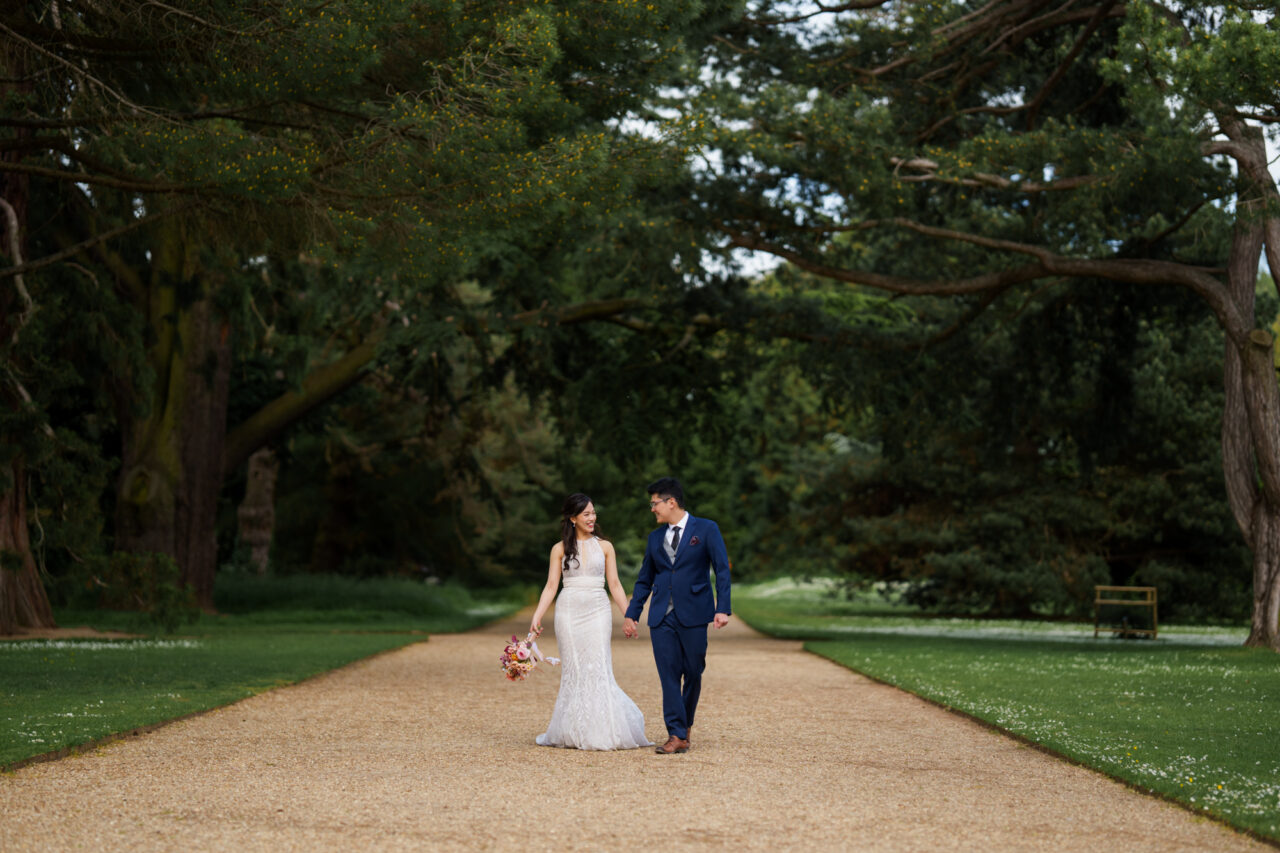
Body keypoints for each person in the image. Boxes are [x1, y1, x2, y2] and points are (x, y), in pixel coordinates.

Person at [530, 493, 652, 750]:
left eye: (593, 513)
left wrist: (629, 615)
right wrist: (537, 616)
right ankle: (574, 730)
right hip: (569, 611)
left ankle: (604, 730)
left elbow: (616, 585)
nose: (592, 518)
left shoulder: (605, 547)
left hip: (597, 610)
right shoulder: (559, 549)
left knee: (598, 666)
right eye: (586, 514)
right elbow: (551, 586)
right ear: (573, 518)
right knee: (574, 669)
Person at [623, 477, 732, 755]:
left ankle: (685, 725)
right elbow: (644, 579)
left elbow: (721, 569)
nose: (652, 509)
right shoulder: (654, 538)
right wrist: (632, 614)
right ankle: (676, 733)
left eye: (655, 503)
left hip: (695, 612)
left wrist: (723, 608)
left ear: (671, 502)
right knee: (668, 675)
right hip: (662, 616)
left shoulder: (706, 529)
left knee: (693, 671)